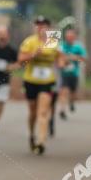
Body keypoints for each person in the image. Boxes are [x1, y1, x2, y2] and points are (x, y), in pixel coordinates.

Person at [18, 16, 65, 154]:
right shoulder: (29, 42)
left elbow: (60, 57)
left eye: (44, 25)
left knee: (43, 111)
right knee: (33, 112)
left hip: (47, 82)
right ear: (35, 27)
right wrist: (33, 55)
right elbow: (20, 60)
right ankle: (32, 135)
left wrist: (61, 62)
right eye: (38, 25)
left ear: (48, 27)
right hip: (31, 80)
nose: (41, 27)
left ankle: (41, 141)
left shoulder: (53, 41)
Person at [58, 28, 87, 119]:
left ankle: (71, 102)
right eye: (67, 36)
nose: (69, 38)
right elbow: (58, 57)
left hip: (74, 74)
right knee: (64, 91)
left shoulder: (78, 47)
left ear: (74, 37)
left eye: (71, 36)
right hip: (64, 73)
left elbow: (84, 59)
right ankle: (62, 110)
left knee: (73, 93)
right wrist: (63, 61)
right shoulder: (61, 45)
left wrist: (74, 57)